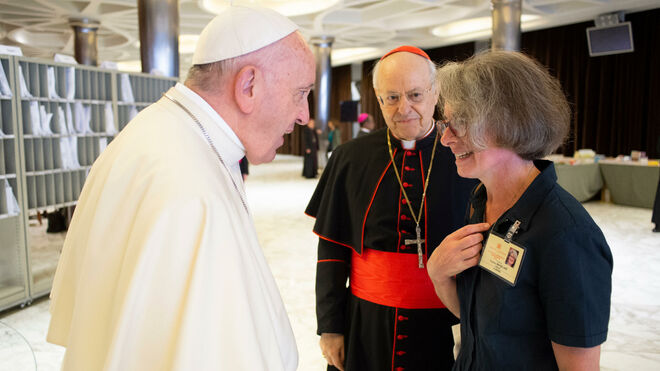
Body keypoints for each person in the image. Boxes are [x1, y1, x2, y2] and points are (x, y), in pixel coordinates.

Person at [46, 5, 315, 371]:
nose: (305, 115)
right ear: (248, 85)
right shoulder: (191, 189)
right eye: (301, 93)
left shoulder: (160, 131)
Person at [427, 50, 613, 370]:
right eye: (446, 123)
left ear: (508, 123)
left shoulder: (567, 234)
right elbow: (483, 326)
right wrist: (438, 274)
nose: (445, 138)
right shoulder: (481, 201)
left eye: (459, 123)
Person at [306, 46, 477, 371]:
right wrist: (330, 327)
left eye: (415, 95)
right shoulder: (349, 158)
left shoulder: (466, 155)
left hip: (447, 322)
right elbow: (331, 251)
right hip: (366, 322)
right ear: (377, 97)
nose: (404, 108)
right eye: (392, 98)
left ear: (435, 91)